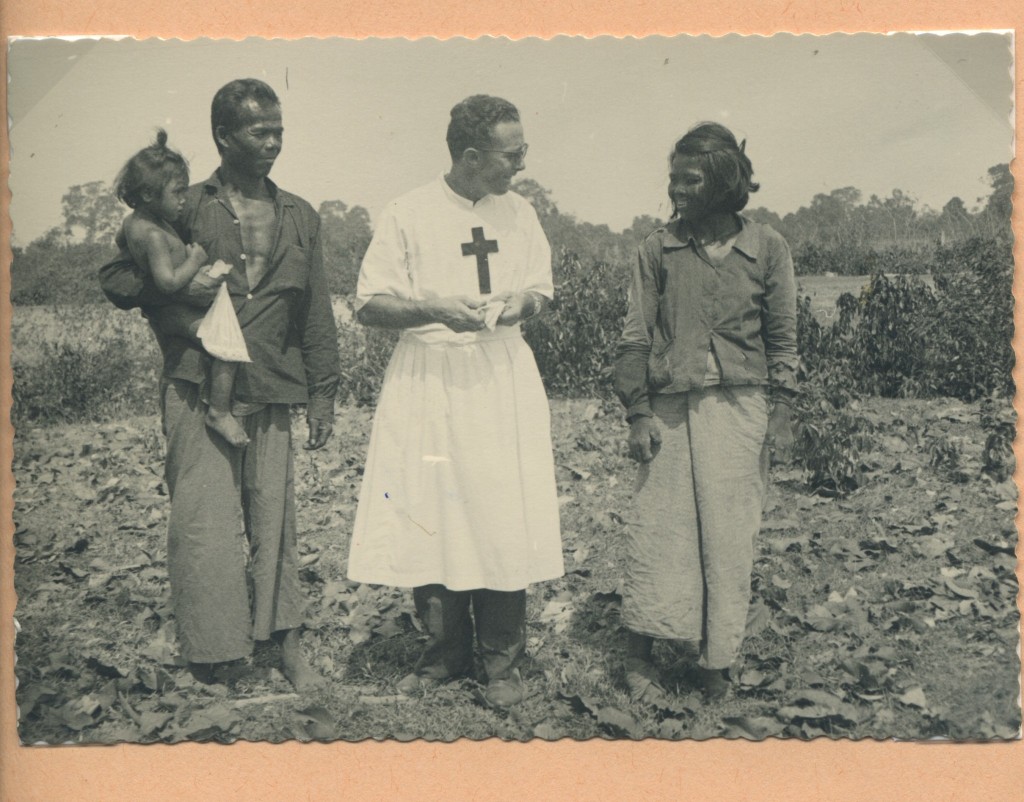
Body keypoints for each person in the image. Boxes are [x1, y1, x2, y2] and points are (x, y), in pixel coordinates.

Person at [100, 79, 340, 691]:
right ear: (223, 137)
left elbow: (315, 310)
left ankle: (286, 647)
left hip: (274, 382)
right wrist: (178, 304)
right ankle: (216, 657)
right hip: (197, 383)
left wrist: (323, 393)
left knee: (275, 523)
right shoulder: (184, 205)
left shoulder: (300, 216)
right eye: (260, 132)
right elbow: (116, 278)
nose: (273, 143)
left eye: (279, 131)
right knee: (204, 523)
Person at [347, 94, 563, 708]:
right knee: (433, 510)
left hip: (500, 376)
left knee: (501, 513)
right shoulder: (408, 212)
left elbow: (541, 290)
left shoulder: (521, 212)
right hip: (430, 377)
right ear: (470, 156)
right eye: (511, 153)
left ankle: (502, 662)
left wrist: (522, 304)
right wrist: (432, 309)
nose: (521, 163)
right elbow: (369, 305)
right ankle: (444, 655)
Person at [614, 122, 797, 703]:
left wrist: (782, 412)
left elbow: (783, 340)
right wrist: (638, 413)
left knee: (728, 538)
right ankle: (640, 654)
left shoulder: (766, 247)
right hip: (668, 407)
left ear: (722, 182)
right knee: (658, 530)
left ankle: (715, 662)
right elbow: (635, 337)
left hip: (741, 408)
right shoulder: (658, 248)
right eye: (674, 178)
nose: (676, 189)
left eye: (690, 180)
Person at [114, 129, 252, 449]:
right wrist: (195, 260)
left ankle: (169, 409)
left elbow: (123, 246)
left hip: (171, 309)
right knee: (227, 344)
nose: (183, 199)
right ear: (149, 194)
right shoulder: (153, 235)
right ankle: (219, 411)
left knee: (185, 354)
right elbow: (168, 283)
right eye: (177, 192)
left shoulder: (134, 224)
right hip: (178, 307)